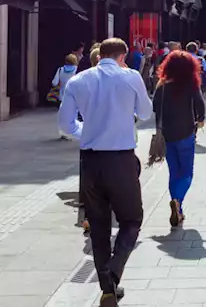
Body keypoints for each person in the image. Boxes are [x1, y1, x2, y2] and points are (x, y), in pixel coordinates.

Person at [58, 38, 153, 306]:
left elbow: (65, 124)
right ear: (122, 56)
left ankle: (107, 286)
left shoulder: (79, 80)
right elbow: (145, 112)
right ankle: (113, 271)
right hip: (121, 159)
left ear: (100, 56)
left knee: (98, 226)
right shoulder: (130, 76)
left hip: (90, 160)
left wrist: (85, 132)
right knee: (132, 219)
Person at [153, 50, 206, 228]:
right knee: (187, 173)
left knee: (174, 172)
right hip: (185, 131)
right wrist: (200, 119)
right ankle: (177, 201)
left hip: (167, 133)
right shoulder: (190, 83)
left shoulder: (162, 84)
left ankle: (179, 208)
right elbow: (199, 103)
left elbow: (155, 107)